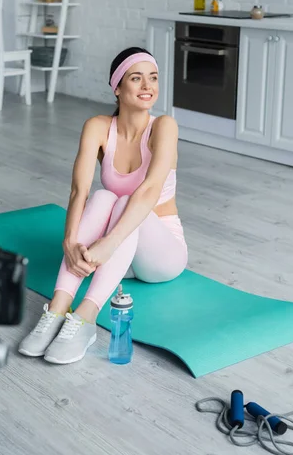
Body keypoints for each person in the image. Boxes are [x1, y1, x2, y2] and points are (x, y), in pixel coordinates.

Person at [19, 47, 188, 364]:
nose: (147, 87)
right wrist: (69, 242)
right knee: (102, 196)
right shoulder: (97, 127)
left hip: (161, 255)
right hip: (122, 259)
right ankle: (57, 309)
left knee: (125, 198)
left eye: (152, 78)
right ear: (118, 87)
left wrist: (108, 243)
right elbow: (78, 190)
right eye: (136, 79)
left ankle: (84, 319)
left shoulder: (164, 126)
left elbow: (149, 190)